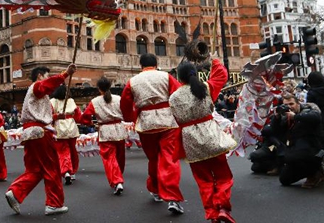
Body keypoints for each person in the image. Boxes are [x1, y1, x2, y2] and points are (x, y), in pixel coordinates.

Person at [169, 57, 236, 223]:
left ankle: (212, 214)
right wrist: (214, 61)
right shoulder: (205, 88)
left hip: (190, 140)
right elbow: (221, 76)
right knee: (223, 176)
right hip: (211, 135)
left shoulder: (173, 98)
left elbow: (176, 122)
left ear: (179, 78)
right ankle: (222, 207)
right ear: (195, 75)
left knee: (203, 180)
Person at [5, 63, 76, 216]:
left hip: (31, 133)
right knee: (52, 167)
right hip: (40, 133)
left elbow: (40, 114)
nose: (48, 79)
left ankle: (16, 192)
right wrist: (65, 74)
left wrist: (58, 116)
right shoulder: (37, 86)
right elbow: (46, 86)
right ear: (39, 76)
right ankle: (54, 203)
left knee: (35, 169)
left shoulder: (36, 94)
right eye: (46, 75)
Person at [120, 53, 184, 215]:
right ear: (156, 63)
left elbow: (126, 105)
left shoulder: (132, 81)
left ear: (141, 65)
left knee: (154, 159)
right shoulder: (166, 76)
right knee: (169, 158)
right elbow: (178, 96)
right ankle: (172, 197)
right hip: (167, 120)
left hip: (146, 123)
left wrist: (132, 118)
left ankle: (155, 188)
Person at [80, 76, 127, 195]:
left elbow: (84, 117)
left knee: (109, 158)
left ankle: (117, 180)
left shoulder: (94, 101)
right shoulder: (118, 98)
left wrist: (91, 123)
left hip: (105, 131)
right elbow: (126, 111)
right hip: (119, 129)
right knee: (119, 157)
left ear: (99, 88)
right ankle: (119, 176)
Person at [271, 93, 324, 189]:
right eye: (286, 105)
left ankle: (315, 173)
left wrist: (296, 116)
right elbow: (275, 131)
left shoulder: (309, 110)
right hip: (294, 150)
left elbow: (315, 118)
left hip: (312, 148)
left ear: (298, 103)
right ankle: (311, 171)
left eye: (291, 104)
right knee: (284, 180)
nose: (289, 107)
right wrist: (276, 118)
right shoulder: (286, 117)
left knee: (299, 155)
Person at [50, 84, 81, 185]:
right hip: (71, 127)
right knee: (72, 150)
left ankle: (66, 170)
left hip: (60, 127)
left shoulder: (52, 102)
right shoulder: (71, 101)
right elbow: (78, 114)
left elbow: (49, 116)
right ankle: (72, 170)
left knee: (63, 152)